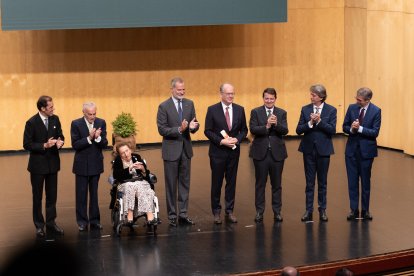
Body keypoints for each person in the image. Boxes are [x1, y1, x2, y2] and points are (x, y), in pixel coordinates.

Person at [156, 77, 200, 227]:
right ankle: (172, 215)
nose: (182, 92)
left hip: (186, 150)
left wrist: (194, 127)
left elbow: (194, 124)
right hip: (171, 150)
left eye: (183, 89)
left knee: (184, 183)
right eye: (179, 89)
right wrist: (179, 130)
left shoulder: (189, 104)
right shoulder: (164, 106)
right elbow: (162, 129)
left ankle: (183, 214)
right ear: (172, 89)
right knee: (171, 185)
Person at [204, 82, 248, 224]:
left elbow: (244, 130)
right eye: (228, 93)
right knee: (216, 183)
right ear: (221, 94)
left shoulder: (240, 109)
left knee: (231, 182)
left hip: (233, 153)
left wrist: (237, 139)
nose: (231, 96)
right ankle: (216, 212)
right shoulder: (212, 110)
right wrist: (221, 141)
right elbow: (208, 131)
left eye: (232, 93)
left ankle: (229, 211)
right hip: (218, 152)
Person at [23, 95, 65, 237]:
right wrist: (44, 145)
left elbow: (61, 135)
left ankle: (51, 223)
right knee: (38, 196)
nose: (53, 108)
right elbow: (27, 144)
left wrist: (60, 142)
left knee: (52, 196)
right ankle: (39, 225)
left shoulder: (55, 119)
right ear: (42, 108)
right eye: (51, 107)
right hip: (37, 166)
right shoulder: (31, 122)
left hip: (53, 164)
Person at [296, 84, 337, 222]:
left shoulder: (331, 110)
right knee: (309, 182)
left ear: (321, 97)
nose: (311, 97)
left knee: (322, 182)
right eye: (311, 94)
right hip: (308, 150)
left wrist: (319, 121)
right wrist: (309, 123)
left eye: (313, 95)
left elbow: (332, 130)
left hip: (324, 150)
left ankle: (322, 210)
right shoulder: (305, 109)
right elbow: (298, 130)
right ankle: (308, 210)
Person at [249, 88, 288, 223]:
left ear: (275, 99)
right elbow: (253, 129)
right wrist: (266, 126)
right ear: (263, 98)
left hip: (277, 154)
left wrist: (276, 124)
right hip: (260, 154)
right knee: (260, 184)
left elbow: (285, 130)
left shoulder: (282, 113)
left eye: (271, 98)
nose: (269, 101)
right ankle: (259, 211)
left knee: (276, 184)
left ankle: (277, 212)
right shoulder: (256, 112)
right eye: (267, 98)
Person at [343, 87, 381, 220]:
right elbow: (344, 127)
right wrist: (352, 129)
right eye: (356, 98)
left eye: (359, 100)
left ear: (367, 100)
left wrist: (359, 128)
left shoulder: (376, 111)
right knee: (352, 182)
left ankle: (365, 210)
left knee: (365, 182)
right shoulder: (352, 108)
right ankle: (354, 210)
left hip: (366, 153)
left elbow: (375, 132)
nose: (356, 101)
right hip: (351, 152)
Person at [70, 102, 108, 231]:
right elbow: (75, 144)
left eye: (94, 114)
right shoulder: (76, 124)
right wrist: (89, 138)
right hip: (81, 165)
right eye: (90, 114)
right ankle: (82, 222)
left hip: (95, 163)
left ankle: (95, 221)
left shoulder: (101, 122)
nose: (93, 117)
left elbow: (104, 143)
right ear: (84, 113)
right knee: (81, 195)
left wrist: (98, 138)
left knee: (94, 195)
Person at [112, 143, 157, 226]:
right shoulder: (118, 160)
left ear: (130, 150)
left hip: (140, 181)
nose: (126, 154)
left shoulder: (136, 157)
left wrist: (143, 169)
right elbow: (116, 175)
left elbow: (146, 174)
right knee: (131, 186)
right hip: (125, 183)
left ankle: (149, 216)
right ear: (120, 154)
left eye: (127, 151)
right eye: (123, 153)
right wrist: (129, 168)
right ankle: (131, 215)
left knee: (142, 187)